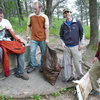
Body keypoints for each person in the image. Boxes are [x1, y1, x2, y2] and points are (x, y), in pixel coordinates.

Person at [0, 8, 29, 80]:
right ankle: (4, 70)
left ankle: (20, 72)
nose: (0, 18)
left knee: (20, 49)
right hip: (1, 43)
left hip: (8, 42)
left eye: (1, 16)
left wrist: (9, 28)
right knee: (0, 52)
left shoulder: (6, 21)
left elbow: (12, 31)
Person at [60, 7, 84, 82]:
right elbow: (61, 36)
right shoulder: (63, 25)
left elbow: (82, 33)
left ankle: (80, 77)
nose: (67, 13)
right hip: (67, 47)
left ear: (71, 13)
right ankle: (70, 77)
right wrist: (62, 43)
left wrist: (81, 44)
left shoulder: (77, 22)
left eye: (68, 12)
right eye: (65, 12)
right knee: (67, 64)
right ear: (64, 14)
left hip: (76, 47)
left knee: (77, 63)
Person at [26, 1, 49, 73]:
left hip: (42, 38)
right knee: (32, 52)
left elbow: (46, 28)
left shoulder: (44, 17)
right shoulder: (31, 16)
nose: (34, 10)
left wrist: (47, 39)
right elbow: (28, 26)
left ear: (40, 8)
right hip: (33, 38)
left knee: (43, 53)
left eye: (36, 9)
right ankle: (33, 65)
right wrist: (27, 35)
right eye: (33, 9)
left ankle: (42, 66)